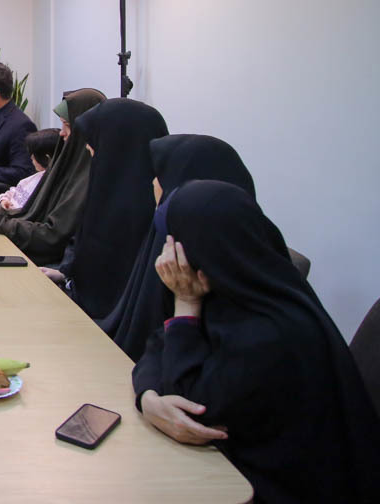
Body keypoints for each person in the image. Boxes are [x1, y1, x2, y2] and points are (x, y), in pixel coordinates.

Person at [131, 181, 380, 503]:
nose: (165, 258)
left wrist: (185, 305)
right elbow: (158, 346)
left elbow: (188, 407)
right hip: (230, 463)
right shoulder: (237, 292)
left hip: (271, 488)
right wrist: (149, 398)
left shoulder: (269, 335)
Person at [99, 135, 254, 361]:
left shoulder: (253, 332)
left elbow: (172, 369)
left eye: (160, 175)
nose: (153, 183)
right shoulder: (176, 241)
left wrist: (186, 305)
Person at [58, 98, 168, 320]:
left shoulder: (153, 210)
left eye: (94, 141)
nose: (88, 147)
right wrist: (66, 275)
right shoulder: (109, 186)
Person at [0, 88, 105, 266]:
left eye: (68, 125)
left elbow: (53, 236)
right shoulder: (67, 165)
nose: (62, 133)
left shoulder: (86, 179)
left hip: (42, 263)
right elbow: (33, 214)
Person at [0, 128, 60, 214]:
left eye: (35, 154)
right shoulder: (31, 179)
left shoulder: (49, 187)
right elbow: (13, 192)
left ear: (46, 157)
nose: (31, 157)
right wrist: (3, 200)